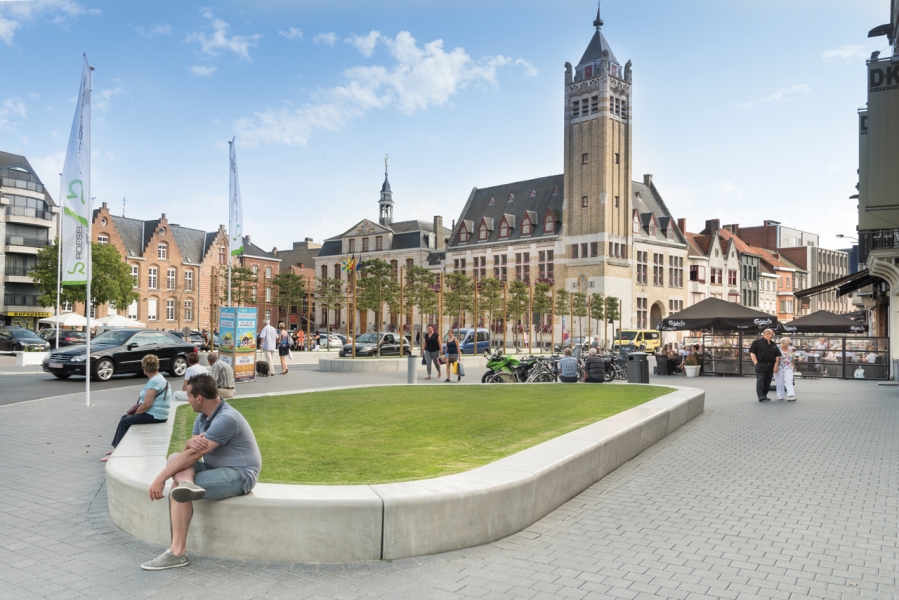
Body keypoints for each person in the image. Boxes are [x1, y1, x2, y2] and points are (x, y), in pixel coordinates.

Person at [141, 374, 262, 571]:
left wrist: (160, 479)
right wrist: (189, 442)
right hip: (216, 469)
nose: (187, 400)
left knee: (177, 487)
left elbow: (192, 456)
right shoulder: (203, 416)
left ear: (199, 398)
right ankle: (187, 485)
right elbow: (190, 449)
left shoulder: (226, 419)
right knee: (173, 457)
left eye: (189, 396)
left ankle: (177, 553)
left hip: (239, 475)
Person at [100, 354, 172, 462]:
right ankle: (117, 447)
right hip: (157, 413)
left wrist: (133, 414)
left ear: (145, 369)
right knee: (124, 418)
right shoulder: (157, 378)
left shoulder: (155, 381)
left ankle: (115, 453)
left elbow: (147, 404)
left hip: (155, 415)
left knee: (125, 422)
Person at [749, 328, 780, 402]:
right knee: (760, 379)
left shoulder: (773, 344)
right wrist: (756, 363)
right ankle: (760, 395)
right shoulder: (757, 342)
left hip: (770, 365)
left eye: (773, 334)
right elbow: (752, 353)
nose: (772, 335)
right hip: (761, 364)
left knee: (768, 381)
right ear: (766, 334)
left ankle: (765, 395)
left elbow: (777, 355)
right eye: (772, 334)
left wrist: (775, 366)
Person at [775, 336, 796, 401]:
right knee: (779, 382)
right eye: (786, 344)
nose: (787, 345)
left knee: (789, 380)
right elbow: (775, 358)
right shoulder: (776, 348)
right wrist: (775, 367)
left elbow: (792, 357)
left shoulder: (790, 348)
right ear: (782, 343)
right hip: (779, 367)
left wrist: (793, 365)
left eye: (788, 344)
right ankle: (780, 395)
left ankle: (790, 395)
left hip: (788, 367)